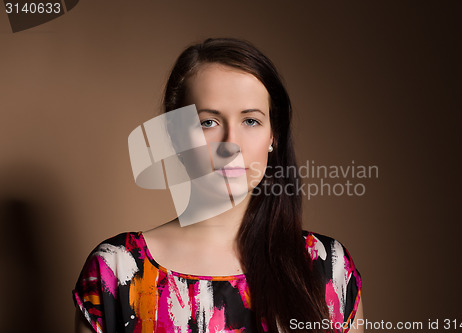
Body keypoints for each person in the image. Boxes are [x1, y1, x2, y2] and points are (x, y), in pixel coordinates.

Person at [73, 37, 363, 333]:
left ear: (273, 135)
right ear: (175, 138)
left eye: (250, 121)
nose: (231, 145)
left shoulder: (329, 269)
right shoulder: (116, 271)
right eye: (208, 122)